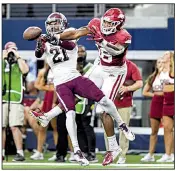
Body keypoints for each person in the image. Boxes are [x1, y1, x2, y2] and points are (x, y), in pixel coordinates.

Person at [29, 11, 134, 166]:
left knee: (101, 109)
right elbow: (77, 33)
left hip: (115, 72)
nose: (105, 25)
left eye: (110, 23)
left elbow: (117, 51)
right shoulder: (96, 24)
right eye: (105, 22)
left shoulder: (124, 35)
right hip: (99, 67)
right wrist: (54, 38)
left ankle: (116, 139)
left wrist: (103, 41)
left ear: (119, 24)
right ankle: (47, 117)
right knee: (77, 97)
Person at [2, 42, 29, 161]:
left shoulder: (20, 62)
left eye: (14, 49)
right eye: (10, 49)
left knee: (14, 126)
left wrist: (17, 56)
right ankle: (1, 152)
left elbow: (25, 70)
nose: (12, 51)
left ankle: (20, 153)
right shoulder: (3, 62)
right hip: (3, 99)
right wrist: (3, 56)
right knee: (1, 127)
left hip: (16, 99)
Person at [113, 59, 143, 164]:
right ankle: (110, 153)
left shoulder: (131, 66)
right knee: (107, 129)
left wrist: (127, 88)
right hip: (108, 101)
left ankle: (122, 156)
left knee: (123, 129)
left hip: (124, 101)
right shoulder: (105, 64)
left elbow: (139, 83)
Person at [30, 63, 58, 160]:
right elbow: (37, 85)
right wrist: (49, 88)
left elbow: (58, 86)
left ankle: (58, 153)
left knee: (55, 127)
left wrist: (51, 89)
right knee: (42, 126)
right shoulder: (43, 71)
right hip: (47, 98)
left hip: (55, 98)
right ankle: (39, 152)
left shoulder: (60, 68)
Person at [141, 58, 165, 162]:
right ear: (156, 64)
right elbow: (144, 92)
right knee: (154, 131)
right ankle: (150, 154)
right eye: (159, 62)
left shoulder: (170, 76)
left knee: (169, 130)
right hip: (155, 104)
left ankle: (169, 153)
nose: (161, 64)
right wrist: (155, 95)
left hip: (167, 103)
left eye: (163, 62)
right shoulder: (153, 77)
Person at [156, 51, 174, 162]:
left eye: (167, 54)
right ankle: (168, 154)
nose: (164, 55)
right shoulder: (161, 70)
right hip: (166, 102)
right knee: (167, 129)